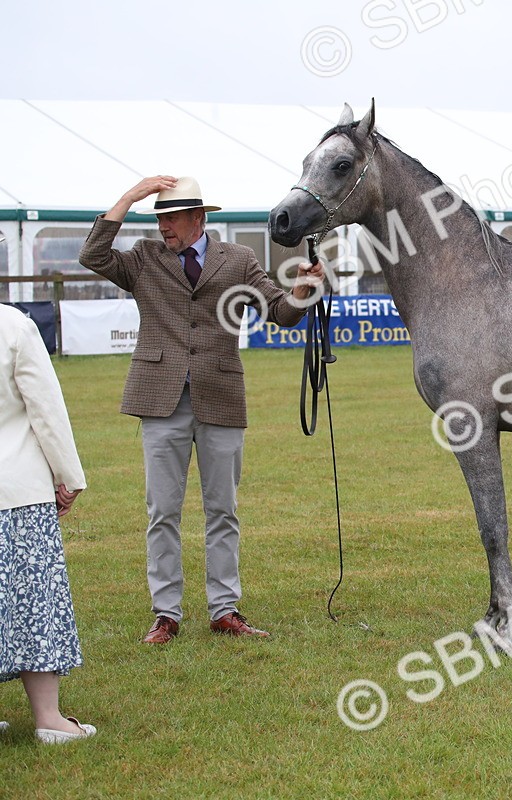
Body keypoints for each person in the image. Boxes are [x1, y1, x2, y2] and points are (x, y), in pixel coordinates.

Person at [78, 177, 324, 644]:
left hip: (221, 397)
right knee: (162, 512)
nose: (164, 226)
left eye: (171, 217)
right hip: (159, 398)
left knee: (222, 511)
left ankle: (224, 610)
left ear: (199, 218)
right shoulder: (144, 259)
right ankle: (165, 614)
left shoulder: (240, 260)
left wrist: (303, 292)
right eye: (159, 218)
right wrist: (131, 197)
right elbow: (92, 255)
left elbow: (280, 312)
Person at [0, 303, 95, 743]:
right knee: (33, 603)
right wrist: (69, 476)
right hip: (15, 490)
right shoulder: (13, 326)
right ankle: (49, 718)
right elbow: (46, 410)